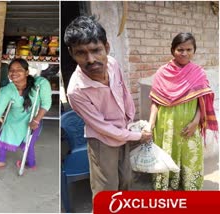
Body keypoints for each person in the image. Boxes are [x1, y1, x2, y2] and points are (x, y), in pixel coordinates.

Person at [64, 16, 152, 199]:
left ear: (107, 47)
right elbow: (102, 128)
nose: (91, 59)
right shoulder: (76, 91)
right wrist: (137, 136)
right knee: (107, 189)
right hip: (102, 142)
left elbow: (124, 92)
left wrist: (130, 120)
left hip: (124, 131)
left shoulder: (112, 63)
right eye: (81, 53)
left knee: (126, 180)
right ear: (71, 53)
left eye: (96, 50)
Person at [148, 32, 218, 190]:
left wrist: (195, 122)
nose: (184, 53)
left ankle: (188, 185)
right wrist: (151, 123)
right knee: (167, 154)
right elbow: (155, 101)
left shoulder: (198, 73)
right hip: (165, 127)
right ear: (173, 50)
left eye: (189, 49)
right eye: (180, 49)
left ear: (194, 51)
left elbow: (203, 102)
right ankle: (167, 183)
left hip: (190, 125)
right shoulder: (162, 72)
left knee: (190, 157)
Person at [0, 58, 52, 169]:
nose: (14, 73)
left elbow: (46, 104)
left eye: (19, 69)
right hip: (13, 119)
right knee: (1, 137)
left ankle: (31, 164)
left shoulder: (40, 83)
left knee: (28, 143)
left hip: (33, 119)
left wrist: (36, 120)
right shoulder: (6, 90)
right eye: (11, 70)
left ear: (27, 72)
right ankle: (1, 160)